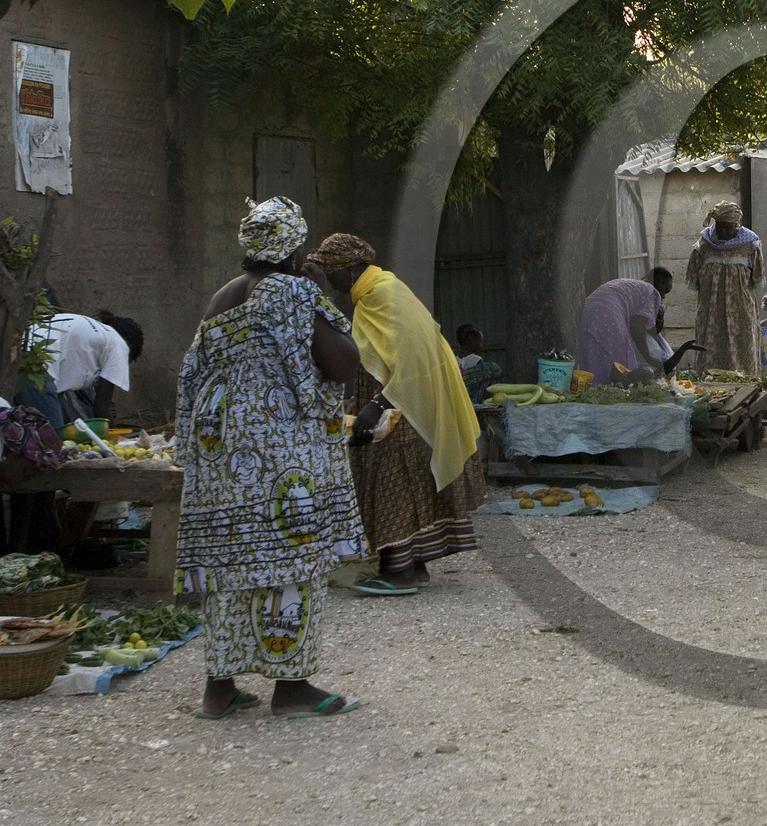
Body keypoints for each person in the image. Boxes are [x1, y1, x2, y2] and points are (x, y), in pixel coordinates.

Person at [175, 197, 365, 719]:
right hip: (277, 444)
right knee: (290, 557)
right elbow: (343, 365)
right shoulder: (291, 291)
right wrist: (319, 296)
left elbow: (195, 368)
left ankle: (219, 689)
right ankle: (292, 688)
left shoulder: (222, 296)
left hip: (220, 440)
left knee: (229, 557)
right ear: (294, 247)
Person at [307, 234, 484, 596]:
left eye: (331, 272)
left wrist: (377, 405)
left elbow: (414, 358)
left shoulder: (383, 294)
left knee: (393, 486)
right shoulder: (372, 295)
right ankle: (412, 567)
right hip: (392, 404)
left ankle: (400, 573)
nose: (332, 281)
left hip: (403, 408)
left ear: (349, 268)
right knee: (397, 484)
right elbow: (383, 353)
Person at [578, 268, 700, 385]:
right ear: (659, 282)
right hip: (609, 314)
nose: (663, 297)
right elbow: (637, 326)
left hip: (589, 309)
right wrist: (649, 357)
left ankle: (594, 389)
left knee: (595, 360)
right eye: (665, 291)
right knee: (622, 367)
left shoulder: (634, 287)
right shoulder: (651, 292)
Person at [686, 201, 764, 373]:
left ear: (736, 225)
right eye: (720, 226)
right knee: (710, 350)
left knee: (741, 349)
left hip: (741, 311)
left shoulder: (750, 245)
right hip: (711, 312)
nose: (724, 231)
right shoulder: (703, 246)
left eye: (728, 227)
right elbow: (694, 278)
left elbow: (757, 277)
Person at [26, 310, 143, 423]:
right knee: (52, 434)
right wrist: (116, 434)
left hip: (23, 350)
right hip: (35, 365)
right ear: (130, 349)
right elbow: (101, 407)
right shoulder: (119, 345)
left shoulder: (95, 334)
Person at [455, 325, 503, 403]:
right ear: (473, 342)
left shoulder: (454, 359)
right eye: (480, 342)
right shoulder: (477, 360)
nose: (481, 345)